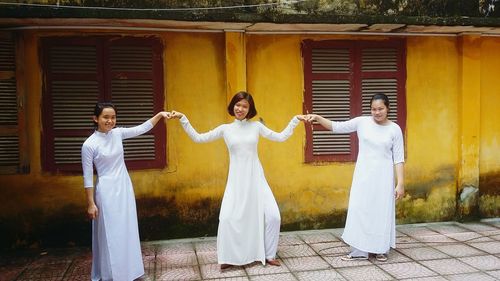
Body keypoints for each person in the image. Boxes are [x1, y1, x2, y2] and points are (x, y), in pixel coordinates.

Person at [169, 91, 306, 270]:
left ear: (250, 110)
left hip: (256, 178)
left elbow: (280, 137)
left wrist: (295, 120)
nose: (240, 108)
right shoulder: (225, 129)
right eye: (237, 104)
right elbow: (198, 138)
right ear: (233, 106)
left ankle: (269, 254)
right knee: (226, 219)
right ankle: (228, 256)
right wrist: (183, 118)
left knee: (273, 216)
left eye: (244, 106)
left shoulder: (256, 127)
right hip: (236, 181)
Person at [305, 93, 405, 262]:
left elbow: (399, 158)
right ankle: (359, 251)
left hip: (384, 178)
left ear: (388, 108)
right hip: (363, 176)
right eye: (373, 109)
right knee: (360, 210)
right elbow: (336, 126)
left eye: (380, 109)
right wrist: (317, 117)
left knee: (381, 211)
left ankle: (380, 249)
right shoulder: (362, 122)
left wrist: (400, 183)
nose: (377, 112)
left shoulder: (394, 129)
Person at [81, 102, 170, 281]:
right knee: (109, 233)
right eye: (106, 117)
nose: (110, 121)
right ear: (95, 118)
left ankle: (129, 271)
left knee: (127, 229)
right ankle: (111, 274)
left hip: (124, 187)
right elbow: (88, 177)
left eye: (113, 117)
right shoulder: (89, 145)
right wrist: (91, 203)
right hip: (105, 191)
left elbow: (142, 128)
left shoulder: (118, 134)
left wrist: (160, 115)